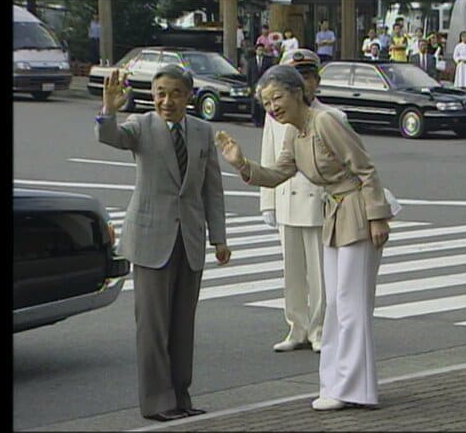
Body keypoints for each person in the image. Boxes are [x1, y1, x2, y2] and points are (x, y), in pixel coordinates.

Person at [216, 65, 392, 411]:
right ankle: (337, 384)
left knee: (351, 303)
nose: (272, 107)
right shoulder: (294, 135)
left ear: (298, 93)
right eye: (266, 102)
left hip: (356, 211)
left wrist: (377, 217)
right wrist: (241, 164)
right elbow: (277, 174)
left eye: (277, 98)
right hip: (334, 215)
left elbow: (365, 169)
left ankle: (355, 388)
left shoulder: (325, 121)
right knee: (337, 305)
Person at [95, 65, 232, 422]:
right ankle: (158, 402)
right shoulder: (142, 126)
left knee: (182, 325)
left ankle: (181, 397)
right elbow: (111, 137)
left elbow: (211, 190)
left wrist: (219, 237)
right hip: (151, 239)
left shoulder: (202, 131)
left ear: (189, 96)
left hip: (189, 240)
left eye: (173, 93)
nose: (165, 101)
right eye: (159, 93)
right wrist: (109, 109)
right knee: (153, 327)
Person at [260, 49, 348, 354]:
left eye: (308, 77)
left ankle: (319, 328)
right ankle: (296, 327)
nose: (305, 83)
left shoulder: (330, 116)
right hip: (286, 199)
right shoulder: (273, 116)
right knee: (292, 271)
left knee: (319, 273)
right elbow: (269, 159)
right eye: (298, 77)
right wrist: (267, 203)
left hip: (317, 202)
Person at [247, 43, 274, 127]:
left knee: (263, 102)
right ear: (256, 51)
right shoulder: (251, 61)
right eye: (259, 50)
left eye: (262, 50)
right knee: (255, 103)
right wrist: (248, 86)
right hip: (254, 85)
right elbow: (249, 74)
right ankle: (255, 119)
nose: (260, 51)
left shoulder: (267, 61)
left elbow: (270, 73)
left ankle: (262, 120)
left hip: (264, 85)